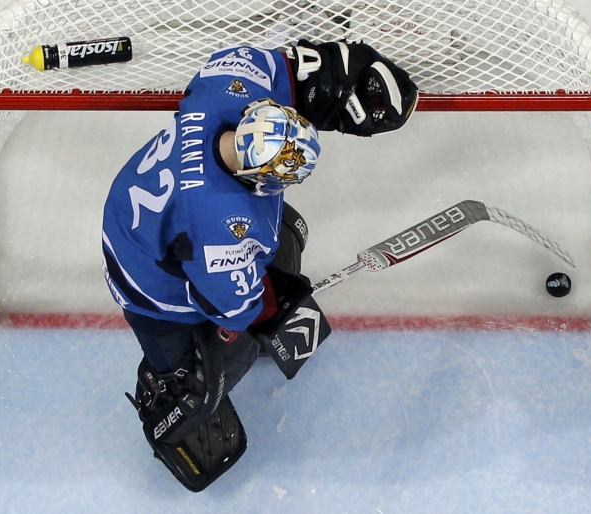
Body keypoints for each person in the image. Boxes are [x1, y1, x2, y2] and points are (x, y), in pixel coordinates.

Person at [101, 40, 417, 492]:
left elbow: (263, 63)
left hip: (143, 224)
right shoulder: (223, 222)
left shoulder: (222, 98)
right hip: (150, 288)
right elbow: (236, 310)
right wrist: (276, 306)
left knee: (286, 236)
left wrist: (331, 75)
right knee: (205, 380)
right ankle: (165, 378)